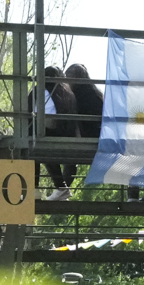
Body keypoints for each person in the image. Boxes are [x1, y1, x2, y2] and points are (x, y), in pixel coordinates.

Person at [43, 66, 79, 201]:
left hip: (54, 135)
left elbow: (48, 121)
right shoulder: (69, 94)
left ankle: (35, 189)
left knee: (37, 150)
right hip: (69, 135)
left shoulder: (44, 92)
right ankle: (62, 188)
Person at [66, 63, 103, 138]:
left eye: (67, 77)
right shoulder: (96, 93)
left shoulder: (78, 95)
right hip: (99, 132)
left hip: (87, 133)